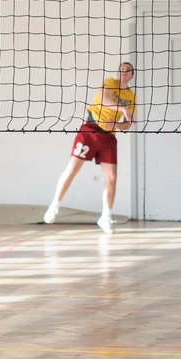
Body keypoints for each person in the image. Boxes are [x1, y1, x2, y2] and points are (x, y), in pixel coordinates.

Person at [43, 62, 136, 234]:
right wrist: (122, 108)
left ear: (131, 75)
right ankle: (55, 205)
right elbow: (103, 99)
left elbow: (127, 124)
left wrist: (117, 123)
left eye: (127, 70)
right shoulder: (110, 82)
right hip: (90, 130)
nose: (123, 72)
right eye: (121, 69)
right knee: (72, 169)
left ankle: (105, 217)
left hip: (109, 137)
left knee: (112, 178)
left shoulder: (131, 96)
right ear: (118, 72)